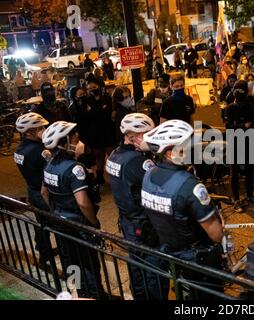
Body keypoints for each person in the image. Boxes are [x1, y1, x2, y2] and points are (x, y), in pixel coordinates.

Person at [140, 119, 224, 300]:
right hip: (197, 259)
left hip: (170, 250)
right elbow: (216, 234)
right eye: (185, 145)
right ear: (170, 153)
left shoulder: (148, 174)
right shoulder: (189, 185)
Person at [40, 121, 105, 299]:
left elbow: (44, 193)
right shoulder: (74, 169)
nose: (79, 141)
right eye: (76, 137)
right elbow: (83, 203)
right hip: (79, 226)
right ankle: (94, 295)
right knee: (89, 265)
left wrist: (56, 211)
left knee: (71, 262)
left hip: (60, 223)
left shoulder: (49, 164)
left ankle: (80, 293)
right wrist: (93, 224)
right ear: (65, 141)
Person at [106, 113, 158, 300]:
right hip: (143, 223)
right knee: (154, 270)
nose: (151, 137)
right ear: (132, 136)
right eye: (147, 133)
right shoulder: (139, 161)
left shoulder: (114, 154)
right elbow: (158, 185)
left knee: (136, 265)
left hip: (127, 220)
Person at [14, 113, 53, 266]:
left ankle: (44, 253)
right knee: (57, 225)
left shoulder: (19, 149)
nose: (43, 130)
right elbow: (50, 171)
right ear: (29, 132)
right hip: (43, 193)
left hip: (32, 191)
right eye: (40, 127)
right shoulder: (40, 151)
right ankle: (65, 254)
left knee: (41, 224)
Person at [224, 80, 254, 212]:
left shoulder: (250, 107)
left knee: (249, 170)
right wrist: (243, 126)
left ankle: (250, 195)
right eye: (237, 90)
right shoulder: (230, 108)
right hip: (235, 143)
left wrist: (239, 127)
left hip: (248, 141)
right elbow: (229, 128)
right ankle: (236, 199)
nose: (238, 93)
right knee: (234, 172)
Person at [85, 78, 116, 183]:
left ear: (99, 86)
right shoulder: (87, 100)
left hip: (108, 130)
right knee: (99, 156)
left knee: (112, 154)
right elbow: (90, 116)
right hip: (96, 133)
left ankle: (115, 176)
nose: (92, 90)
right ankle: (99, 176)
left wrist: (95, 111)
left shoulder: (107, 98)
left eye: (94, 87)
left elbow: (108, 113)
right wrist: (101, 110)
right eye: (89, 88)